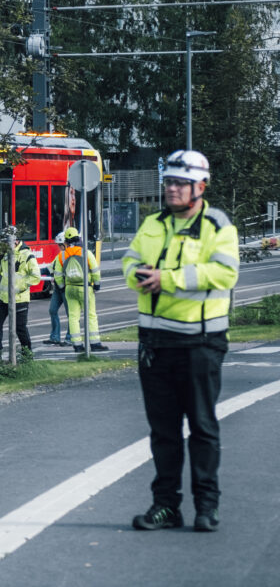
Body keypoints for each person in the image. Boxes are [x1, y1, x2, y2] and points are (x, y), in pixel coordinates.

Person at [122, 150, 238, 533]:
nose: (171, 189)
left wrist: (167, 279)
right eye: (168, 182)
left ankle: (208, 506)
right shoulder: (153, 223)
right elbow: (129, 260)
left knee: (203, 427)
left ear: (200, 187)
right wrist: (136, 273)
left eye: (179, 183)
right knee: (164, 432)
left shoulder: (217, 225)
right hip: (155, 344)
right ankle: (165, 506)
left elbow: (224, 273)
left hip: (200, 343)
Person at [0, 233, 41, 357]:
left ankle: (27, 355)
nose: (5, 245)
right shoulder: (5, 254)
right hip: (4, 298)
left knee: (20, 328)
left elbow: (36, 277)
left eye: (7, 243)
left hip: (19, 298)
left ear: (16, 241)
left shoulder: (27, 255)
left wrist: (18, 288)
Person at [59, 226, 107, 352]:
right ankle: (95, 343)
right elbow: (95, 271)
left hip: (70, 288)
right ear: (78, 238)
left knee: (73, 317)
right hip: (85, 288)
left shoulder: (62, 255)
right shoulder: (86, 253)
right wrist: (97, 285)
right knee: (91, 315)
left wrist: (62, 288)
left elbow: (58, 275)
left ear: (66, 241)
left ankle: (77, 345)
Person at [45, 232, 68, 346]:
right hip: (59, 288)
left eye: (60, 245)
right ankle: (55, 337)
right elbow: (50, 268)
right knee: (52, 310)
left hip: (67, 288)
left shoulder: (72, 255)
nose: (59, 247)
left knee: (71, 315)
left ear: (65, 243)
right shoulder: (60, 256)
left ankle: (70, 338)